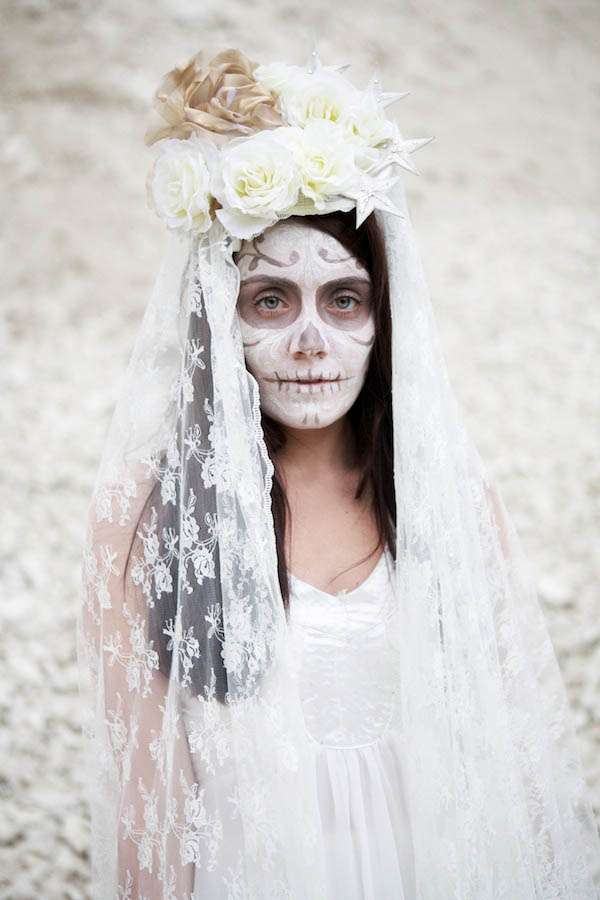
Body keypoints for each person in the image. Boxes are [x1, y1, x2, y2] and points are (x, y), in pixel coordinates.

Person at [78, 47, 600, 899]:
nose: (311, 342)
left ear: (385, 318)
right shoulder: (142, 513)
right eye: (270, 300)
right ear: (218, 317)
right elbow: (152, 802)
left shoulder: (446, 498)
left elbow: (514, 758)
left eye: (344, 299)